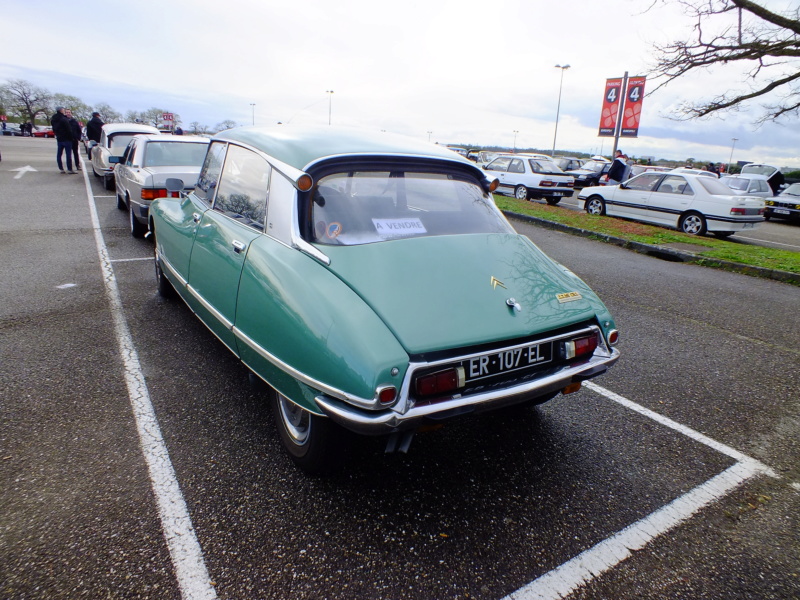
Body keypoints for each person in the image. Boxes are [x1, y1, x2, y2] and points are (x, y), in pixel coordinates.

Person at [50, 107, 75, 174]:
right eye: (63, 110)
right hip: (66, 138)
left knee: (59, 154)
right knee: (68, 154)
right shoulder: (63, 119)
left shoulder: (54, 119)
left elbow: (53, 128)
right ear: (61, 110)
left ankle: (61, 168)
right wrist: (71, 137)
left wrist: (57, 134)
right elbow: (68, 129)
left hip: (59, 138)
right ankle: (69, 169)